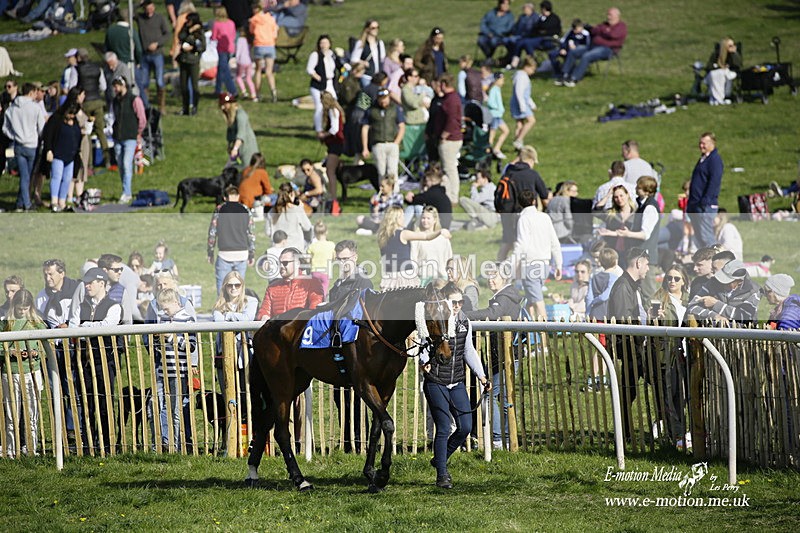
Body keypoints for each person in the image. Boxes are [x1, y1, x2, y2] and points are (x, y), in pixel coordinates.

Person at [422, 283, 488, 489]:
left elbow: (469, 351)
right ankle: (442, 474)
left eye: (461, 301)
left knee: (466, 427)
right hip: (436, 381)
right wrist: (424, 361)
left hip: (457, 381)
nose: (458, 305)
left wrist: (482, 376)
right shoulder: (435, 320)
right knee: (443, 428)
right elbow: (423, 343)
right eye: (454, 302)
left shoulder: (465, 322)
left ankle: (439, 458)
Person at [464, 261, 522, 449]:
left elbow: (492, 313)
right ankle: (504, 438)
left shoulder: (503, 297)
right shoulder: (507, 295)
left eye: (494, 276)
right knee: (503, 398)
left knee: (490, 395)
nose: (490, 280)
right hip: (507, 354)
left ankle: (498, 438)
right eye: (488, 276)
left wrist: (466, 316)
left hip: (504, 355)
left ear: (504, 277)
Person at [70, 267, 122, 454]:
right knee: (87, 402)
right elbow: (73, 328)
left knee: (105, 402)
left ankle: (108, 445)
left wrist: (85, 327)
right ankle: (89, 444)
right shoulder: (81, 306)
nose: (87, 285)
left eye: (91, 282)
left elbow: (107, 327)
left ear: (102, 283)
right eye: (86, 282)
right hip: (84, 361)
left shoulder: (114, 306)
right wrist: (88, 329)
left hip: (104, 361)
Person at [607, 247, 652, 442]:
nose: (648, 269)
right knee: (628, 392)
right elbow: (625, 321)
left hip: (634, 347)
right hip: (631, 348)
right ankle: (624, 433)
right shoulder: (623, 287)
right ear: (638, 263)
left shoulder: (631, 285)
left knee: (630, 391)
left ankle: (625, 432)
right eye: (647, 264)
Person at [149, 287, 197, 452]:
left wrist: (169, 337)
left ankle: (175, 446)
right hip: (163, 370)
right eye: (162, 308)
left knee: (176, 410)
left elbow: (190, 346)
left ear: (176, 302)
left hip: (178, 371)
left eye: (166, 308)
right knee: (160, 406)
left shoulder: (188, 320)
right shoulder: (162, 319)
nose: (164, 311)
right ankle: (164, 442)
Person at [1, 289, 46, 457]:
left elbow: (47, 344)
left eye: (25, 308)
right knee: (12, 414)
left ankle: (31, 449)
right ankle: (12, 451)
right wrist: (10, 352)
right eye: (20, 308)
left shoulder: (37, 322)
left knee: (32, 412)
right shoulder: (6, 322)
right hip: (10, 372)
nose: (22, 312)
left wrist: (35, 353)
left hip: (31, 371)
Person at [651, 264, 690, 446]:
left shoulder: (690, 300)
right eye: (669, 278)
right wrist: (655, 319)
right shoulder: (659, 298)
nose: (672, 281)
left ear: (684, 281)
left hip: (687, 351)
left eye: (676, 278)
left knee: (685, 395)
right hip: (667, 354)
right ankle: (676, 434)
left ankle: (682, 432)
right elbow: (652, 327)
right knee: (671, 395)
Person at [212, 270, 257, 419]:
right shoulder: (218, 305)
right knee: (228, 395)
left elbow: (248, 319)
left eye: (237, 285)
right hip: (223, 355)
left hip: (244, 356)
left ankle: (249, 432)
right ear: (224, 287)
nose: (233, 288)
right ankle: (232, 433)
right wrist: (238, 319)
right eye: (229, 285)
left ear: (242, 286)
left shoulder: (251, 301)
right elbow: (219, 323)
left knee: (246, 393)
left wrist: (229, 316)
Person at [512, 189, 562, 320]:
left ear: (519, 203)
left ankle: (544, 333)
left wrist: (512, 263)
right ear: (534, 201)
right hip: (544, 265)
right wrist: (559, 265)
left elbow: (521, 244)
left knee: (538, 303)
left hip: (530, 266)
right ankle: (529, 333)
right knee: (531, 299)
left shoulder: (523, 219)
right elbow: (554, 242)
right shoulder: (545, 217)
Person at [377, 205, 450, 290]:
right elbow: (426, 236)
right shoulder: (403, 234)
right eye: (402, 216)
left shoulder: (382, 236)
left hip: (389, 276)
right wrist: (440, 231)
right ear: (396, 219)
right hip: (405, 275)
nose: (404, 218)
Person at [496, 145, 551, 260]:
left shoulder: (508, 172)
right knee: (523, 243)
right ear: (531, 159)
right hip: (526, 214)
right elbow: (544, 197)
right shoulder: (532, 174)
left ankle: (499, 267)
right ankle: (519, 272)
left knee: (507, 242)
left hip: (507, 213)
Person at [2, 82, 45, 212]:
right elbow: (41, 128)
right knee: (27, 176)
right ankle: (27, 204)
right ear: (31, 93)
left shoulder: (12, 109)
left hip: (19, 144)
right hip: (32, 144)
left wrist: (14, 135)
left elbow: (5, 128)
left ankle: (20, 203)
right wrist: (40, 138)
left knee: (24, 175)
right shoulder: (35, 108)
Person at [559, 7, 627, 87]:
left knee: (587, 56)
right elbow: (594, 30)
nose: (608, 17)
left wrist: (602, 31)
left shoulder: (621, 26)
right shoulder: (604, 25)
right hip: (593, 46)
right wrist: (605, 31)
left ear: (617, 16)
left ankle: (574, 78)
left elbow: (613, 35)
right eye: (608, 15)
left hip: (608, 49)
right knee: (574, 52)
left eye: (610, 15)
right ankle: (564, 75)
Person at [208, 185, 256, 294]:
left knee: (222, 290)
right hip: (242, 253)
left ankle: (222, 310)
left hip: (225, 253)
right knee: (238, 291)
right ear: (238, 196)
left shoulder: (219, 210)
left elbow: (212, 232)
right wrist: (252, 253)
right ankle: (238, 310)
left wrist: (210, 251)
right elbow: (251, 233)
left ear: (225, 197)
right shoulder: (245, 210)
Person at [256, 247, 324, 320]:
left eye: (285, 263)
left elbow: (315, 309)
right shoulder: (272, 288)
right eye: (279, 263)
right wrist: (263, 316)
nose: (281, 266)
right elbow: (264, 311)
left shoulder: (312, 282)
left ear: (297, 263)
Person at [686, 259, 761, 325]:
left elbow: (744, 317)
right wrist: (714, 316)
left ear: (739, 281)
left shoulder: (754, 291)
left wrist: (716, 304)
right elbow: (691, 306)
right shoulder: (712, 283)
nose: (723, 283)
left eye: (728, 282)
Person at [110, 77, 146, 204]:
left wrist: (138, 132)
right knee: (120, 165)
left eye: (117, 86)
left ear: (123, 86)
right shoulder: (115, 101)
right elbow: (112, 116)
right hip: (118, 137)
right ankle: (124, 189)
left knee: (126, 164)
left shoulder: (134, 100)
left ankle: (127, 192)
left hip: (130, 136)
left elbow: (142, 118)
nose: (115, 89)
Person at [41, 102, 81, 212]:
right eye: (70, 113)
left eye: (74, 114)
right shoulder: (56, 120)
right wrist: (49, 150)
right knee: (57, 177)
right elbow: (48, 134)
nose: (72, 116)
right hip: (58, 153)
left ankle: (62, 202)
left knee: (67, 179)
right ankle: (54, 201)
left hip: (71, 155)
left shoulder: (75, 122)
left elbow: (78, 137)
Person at [687, 132, 723, 250]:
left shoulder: (714, 160)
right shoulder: (703, 159)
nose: (701, 146)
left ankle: (717, 260)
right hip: (695, 204)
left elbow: (714, 181)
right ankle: (705, 264)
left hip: (705, 205)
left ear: (712, 143)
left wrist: (705, 200)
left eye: (704, 143)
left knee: (706, 236)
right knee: (700, 237)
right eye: (700, 143)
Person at [361, 88, 406, 183]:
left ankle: (394, 193)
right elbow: (365, 128)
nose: (383, 101)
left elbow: (402, 126)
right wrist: (365, 147)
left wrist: (396, 142)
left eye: (385, 98)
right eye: (381, 98)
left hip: (392, 143)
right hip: (378, 144)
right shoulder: (371, 110)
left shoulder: (395, 109)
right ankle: (383, 193)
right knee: (381, 172)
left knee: (393, 171)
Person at [431, 73, 461, 204]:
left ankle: (453, 196)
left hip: (450, 139)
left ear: (444, 84)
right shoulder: (450, 98)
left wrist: (445, 134)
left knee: (450, 169)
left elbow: (452, 120)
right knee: (448, 168)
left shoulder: (451, 100)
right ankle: (449, 193)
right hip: (451, 138)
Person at [136, 0, 171, 111]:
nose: (149, 10)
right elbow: (126, 12)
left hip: (157, 54)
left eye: (151, 7)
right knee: (144, 82)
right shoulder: (140, 18)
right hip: (144, 55)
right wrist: (138, 3)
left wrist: (157, 43)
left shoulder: (160, 18)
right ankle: (146, 106)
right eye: (146, 7)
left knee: (160, 81)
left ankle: (162, 107)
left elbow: (167, 34)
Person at [509, 0, 562, 69]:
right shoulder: (542, 18)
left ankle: (532, 62)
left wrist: (542, 31)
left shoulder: (554, 18)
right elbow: (536, 29)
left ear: (544, 8)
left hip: (548, 40)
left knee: (527, 43)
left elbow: (553, 30)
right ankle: (516, 62)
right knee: (521, 42)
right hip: (539, 38)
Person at [307, 34, 341, 132]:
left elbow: (339, 66)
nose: (324, 45)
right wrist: (318, 77)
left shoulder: (332, 55)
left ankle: (334, 128)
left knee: (334, 105)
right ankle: (319, 129)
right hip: (318, 85)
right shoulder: (316, 55)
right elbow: (309, 69)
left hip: (330, 83)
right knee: (320, 107)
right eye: (322, 43)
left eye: (326, 43)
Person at [412, 206, 453, 286]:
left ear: (434, 220)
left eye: (428, 218)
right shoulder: (416, 238)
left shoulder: (443, 238)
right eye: (423, 218)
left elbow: (449, 258)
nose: (425, 221)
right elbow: (413, 259)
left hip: (441, 278)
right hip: (423, 278)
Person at [266, 182, 312, 251]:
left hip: (277, 249)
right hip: (295, 249)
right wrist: (301, 209)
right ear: (292, 194)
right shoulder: (297, 210)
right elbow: (307, 227)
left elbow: (268, 232)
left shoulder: (271, 212)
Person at [176, 11, 205, 116]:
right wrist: (189, 31)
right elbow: (180, 36)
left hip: (193, 60)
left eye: (189, 20)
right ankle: (185, 107)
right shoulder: (186, 29)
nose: (187, 22)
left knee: (194, 86)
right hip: (184, 60)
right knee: (183, 86)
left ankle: (195, 107)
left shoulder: (199, 31)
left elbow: (202, 46)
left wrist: (193, 47)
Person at [318, 92, 345, 205]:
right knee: (331, 171)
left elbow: (334, 129)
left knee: (330, 171)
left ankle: (333, 198)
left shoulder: (332, 111)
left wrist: (324, 135)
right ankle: (332, 195)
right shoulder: (335, 110)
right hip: (335, 144)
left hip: (336, 144)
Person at [219, 92, 259, 167]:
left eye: (224, 105)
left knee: (248, 171)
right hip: (237, 150)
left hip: (247, 148)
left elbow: (241, 134)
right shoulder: (231, 117)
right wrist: (230, 146)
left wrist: (235, 148)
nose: (222, 108)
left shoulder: (241, 115)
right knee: (228, 170)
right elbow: (230, 133)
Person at [249, 3, 279, 103]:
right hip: (270, 45)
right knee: (269, 71)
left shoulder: (254, 19)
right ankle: (273, 92)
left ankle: (257, 93)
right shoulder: (271, 18)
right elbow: (275, 31)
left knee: (258, 70)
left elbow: (251, 31)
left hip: (259, 44)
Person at [597, 184, 637, 257]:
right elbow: (596, 212)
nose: (619, 199)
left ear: (627, 195)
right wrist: (608, 195)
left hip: (630, 251)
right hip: (613, 251)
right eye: (616, 197)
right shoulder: (611, 214)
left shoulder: (636, 213)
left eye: (621, 196)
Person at [510, 57, 537, 149]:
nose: (533, 72)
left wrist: (532, 104)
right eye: (532, 69)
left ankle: (518, 144)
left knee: (520, 123)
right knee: (531, 120)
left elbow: (527, 95)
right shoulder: (521, 77)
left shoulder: (521, 75)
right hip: (521, 103)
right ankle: (519, 139)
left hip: (521, 102)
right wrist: (523, 106)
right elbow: (519, 92)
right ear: (526, 67)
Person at [705, 38, 741, 106]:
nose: (732, 47)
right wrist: (719, 67)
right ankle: (715, 97)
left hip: (729, 73)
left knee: (727, 75)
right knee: (715, 75)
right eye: (730, 46)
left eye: (733, 45)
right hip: (716, 73)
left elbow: (737, 65)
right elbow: (709, 66)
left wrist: (734, 54)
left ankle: (726, 96)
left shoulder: (733, 55)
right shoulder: (716, 54)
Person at [211, 6, 238, 98]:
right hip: (230, 48)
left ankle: (232, 90)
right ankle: (218, 89)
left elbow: (214, 37)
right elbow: (234, 35)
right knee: (221, 69)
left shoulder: (217, 24)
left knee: (225, 70)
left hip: (222, 49)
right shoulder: (231, 23)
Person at [351, 19, 386, 87]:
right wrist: (363, 63)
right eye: (373, 28)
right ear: (367, 29)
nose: (376, 30)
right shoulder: (361, 43)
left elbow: (382, 59)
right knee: (368, 97)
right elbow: (353, 59)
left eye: (377, 27)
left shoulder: (380, 43)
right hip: (367, 76)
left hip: (378, 77)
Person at [307, 221, 336, 296]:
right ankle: (322, 303)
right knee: (324, 291)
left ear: (315, 233)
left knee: (314, 292)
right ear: (326, 232)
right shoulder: (331, 245)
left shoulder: (312, 246)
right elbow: (334, 257)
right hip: (326, 272)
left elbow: (307, 260)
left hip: (315, 272)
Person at [486, 71, 509, 159]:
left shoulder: (497, 89)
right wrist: (498, 108)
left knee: (506, 131)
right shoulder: (493, 89)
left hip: (498, 116)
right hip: (494, 115)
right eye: (502, 80)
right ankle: (488, 152)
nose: (503, 82)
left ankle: (496, 149)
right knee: (492, 135)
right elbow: (490, 102)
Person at [235, 27, 257, 100]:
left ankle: (244, 91)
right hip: (249, 61)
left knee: (238, 77)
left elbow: (238, 51)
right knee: (248, 78)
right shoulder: (249, 41)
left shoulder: (240, 40)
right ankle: (253, 94)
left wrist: (236, 59)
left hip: (241, 61)